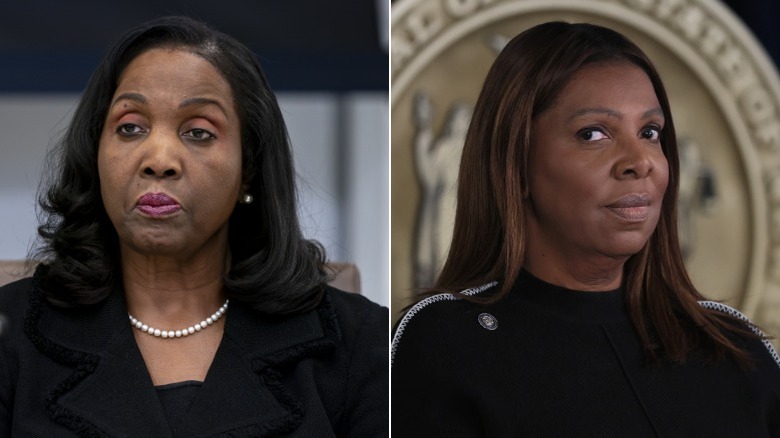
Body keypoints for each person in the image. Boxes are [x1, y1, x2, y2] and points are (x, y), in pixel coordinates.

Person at [0, 16, 387, 436]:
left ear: (248, 169)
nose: (159, 159)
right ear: (96, 152)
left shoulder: (362, 344)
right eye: (130, 127)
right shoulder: (10, 335)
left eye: (198, 132)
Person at [391, 21, 780, 436]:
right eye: (593, 133)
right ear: (516, 165)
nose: (640, 160)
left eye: (650, 132)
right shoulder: (445, 342)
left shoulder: (734, 346)